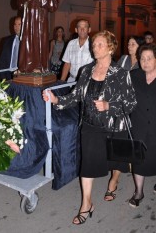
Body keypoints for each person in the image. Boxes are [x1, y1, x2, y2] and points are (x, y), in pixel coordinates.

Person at [42, 30, 137, 225]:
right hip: (90, 125)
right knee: (88, 165)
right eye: (94, 45)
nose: (95, 47)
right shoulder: (86, 70)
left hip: (113, 126)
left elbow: (131, 103)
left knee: (115, 160)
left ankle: (114, 181)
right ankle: (87, 204)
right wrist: (56, 99)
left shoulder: (121, 73)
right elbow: (76, 95)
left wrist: (108, 106)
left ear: (110, 48)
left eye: (100, 44)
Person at [104, 35, 145, 201]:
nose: (129, 46)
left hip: (139, 107)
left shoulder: (144, 62)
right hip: (121, 105)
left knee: (134, 139)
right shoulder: (123, 59)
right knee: (120, 140)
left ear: (140, 47)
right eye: (128, 43)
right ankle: (114, 179)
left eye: (133, 44)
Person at [17, 0, 59, 73]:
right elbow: (18, 1)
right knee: (26, 39)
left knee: (38, 38)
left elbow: (54, 2)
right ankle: (25, 67)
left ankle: (39, 66)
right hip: (28, 14)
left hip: (40, 15)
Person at [128, 43, 156, 207]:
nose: (145, 62)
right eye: (142, 59)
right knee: (138, 160)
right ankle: (139, 192)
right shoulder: (133, 75)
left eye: (149, 58)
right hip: (138, 125)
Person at [0, 16, 21, 80]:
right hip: (7, 75)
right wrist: (2, 78)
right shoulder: (7, 40)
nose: (16, 27)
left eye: (19, 24)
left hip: (21, 75)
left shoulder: (27, 43)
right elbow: (2, 61)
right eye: (15, 24)